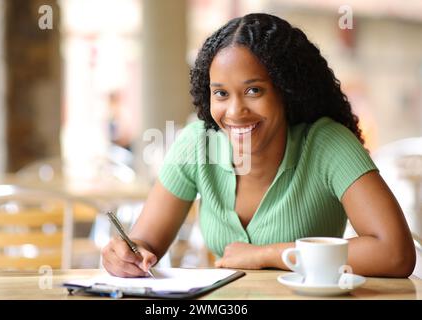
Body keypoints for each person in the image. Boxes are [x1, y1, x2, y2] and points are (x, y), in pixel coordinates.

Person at [102, 13, 416, 278]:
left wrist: (266, 255)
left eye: (254, 90)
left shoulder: (327, 144)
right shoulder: (197, 143)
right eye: (221, 93)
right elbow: (146, 242)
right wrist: (126, 255)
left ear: (286, 90)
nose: (235, 111)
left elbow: (395, 253)